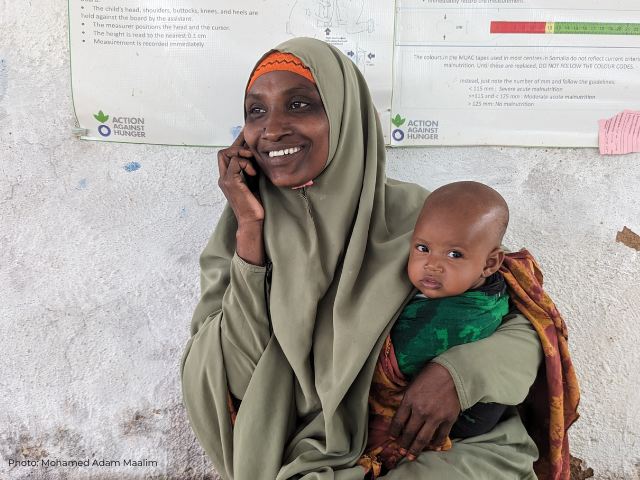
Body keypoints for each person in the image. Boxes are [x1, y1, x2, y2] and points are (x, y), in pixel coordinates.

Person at [181, 38, 548, 479]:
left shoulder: (424, 222)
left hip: (444, 446)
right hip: (303, 445)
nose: (272, 129)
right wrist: (250, 232)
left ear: (346, 114)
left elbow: (529, 325)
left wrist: (458, 373)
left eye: (299, 105)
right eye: (256, 111)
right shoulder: (240, 238)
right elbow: (238, 378)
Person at [362, 181, 517, 474]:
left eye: (454, 254)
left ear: (491, 262)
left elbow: (388, 361)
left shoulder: (452, 318)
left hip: (459, 421)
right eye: (423, 248)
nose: (431, 265)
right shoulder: (485, 286)